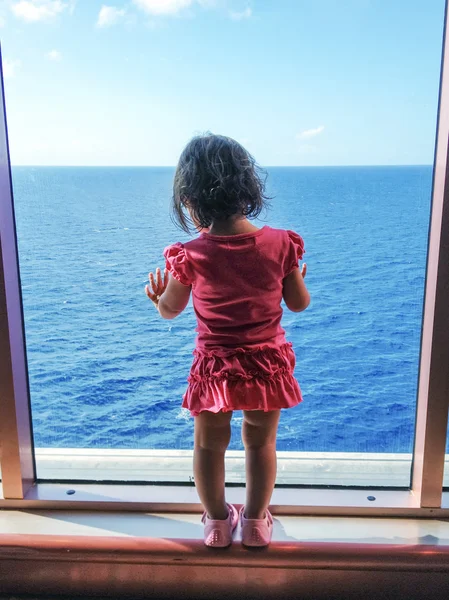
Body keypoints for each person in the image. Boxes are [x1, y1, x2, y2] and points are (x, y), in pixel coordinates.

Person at [145, 134, 310, 548]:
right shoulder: (280, 244)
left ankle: (217, 523)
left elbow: (171, 310)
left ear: (190, 197)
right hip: (266, 363)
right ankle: (255, 523)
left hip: (215, 367)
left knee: (208, 445)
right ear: (249, 187)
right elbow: (298, 304)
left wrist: (157, 298)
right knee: (260, 442)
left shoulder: (192, 254)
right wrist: (297, 279)